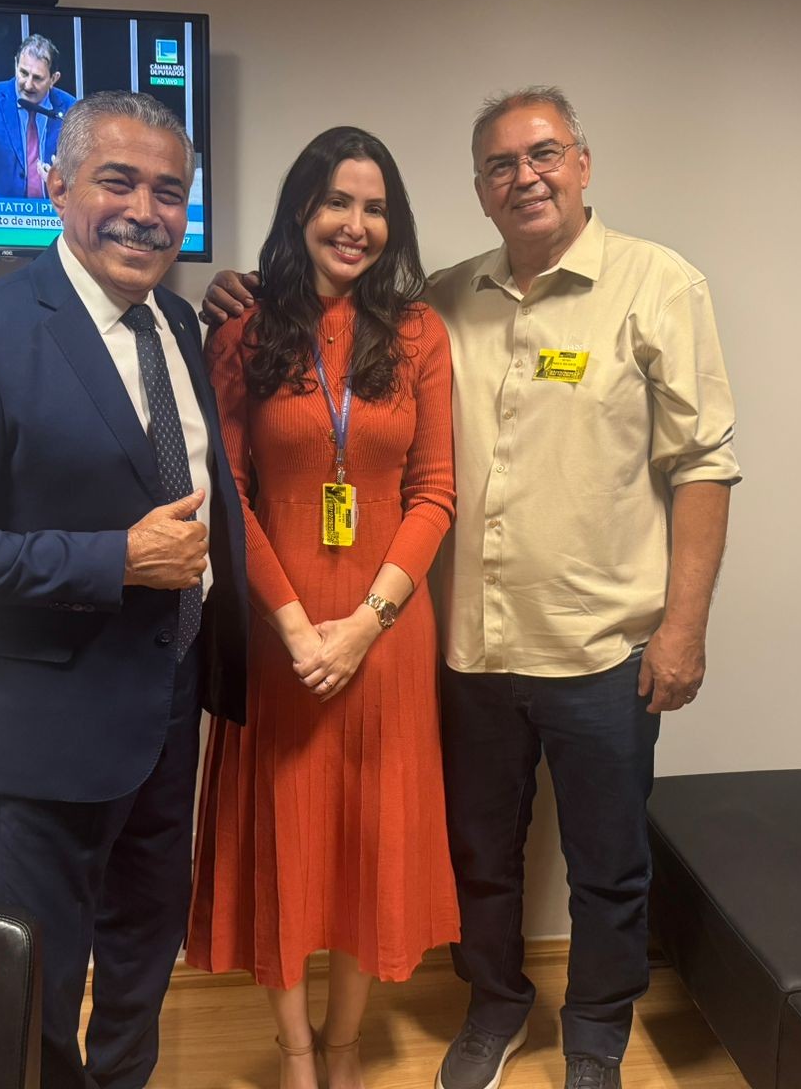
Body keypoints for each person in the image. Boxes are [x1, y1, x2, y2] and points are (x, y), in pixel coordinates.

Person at [202, 87, 739, 1089]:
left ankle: (594, 1036)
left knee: (608, 864)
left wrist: (684, 629)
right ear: (480, 191)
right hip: (468, 646)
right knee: (479, 854)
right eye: (501, 165)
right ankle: (494, 1007)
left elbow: (703, 465)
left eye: (544, 155)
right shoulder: (445, 301)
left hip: (597, 645)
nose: (524, 177)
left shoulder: (655, 284)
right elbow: (311, 336)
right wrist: (237, 288)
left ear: (581, 163)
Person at [0, 90, 248, 1089]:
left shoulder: (178, 321)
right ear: (55, 184)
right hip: (38, 729)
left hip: (168, 708)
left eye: (168, 191)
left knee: (144, 953)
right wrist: (111, 559)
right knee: (38, 983)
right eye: (117, 181)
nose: (145, 212)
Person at [185, 126, 459, 1089]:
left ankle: (345, 1047)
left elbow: (435, 492)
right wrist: (301, 630)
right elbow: (229, 495)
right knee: (286, 839)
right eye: (337, 201)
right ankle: (296, 1052)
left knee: (366, 844)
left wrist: (366, 625)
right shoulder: (243, 329)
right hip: (281, 636)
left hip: (386, 634)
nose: (355, 224)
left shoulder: (420, 334)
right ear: (302, 209)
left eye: (375, 207)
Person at [0, 33, 78, 198]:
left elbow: (83, 168)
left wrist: (63, 183)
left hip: (53, 211)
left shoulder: (70, 110)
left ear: (53, 79)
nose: (28, 84)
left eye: (37, 78)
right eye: (23, 73)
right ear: (16, 64)